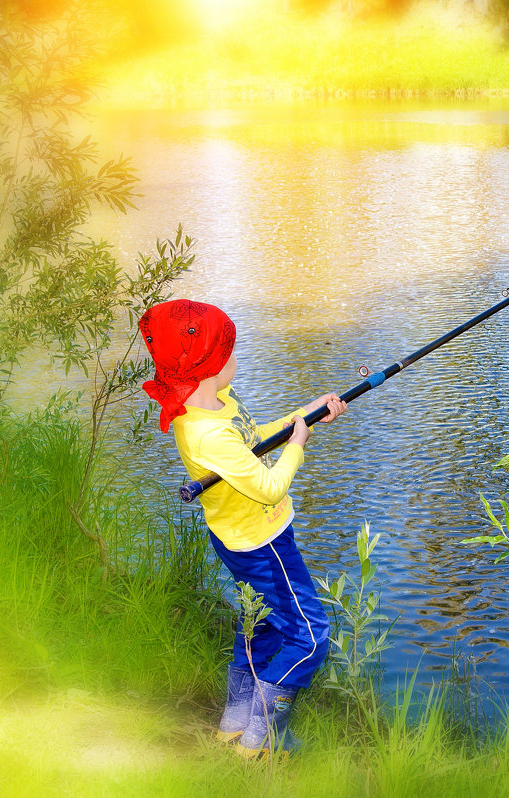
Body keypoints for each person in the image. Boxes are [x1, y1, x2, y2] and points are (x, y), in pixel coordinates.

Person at [138, 298, 346, 759]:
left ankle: (235, 721)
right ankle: (263, 740)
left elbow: (251, 443)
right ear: (209, 364)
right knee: (311, 634)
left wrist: (304, 415)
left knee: (265, 622)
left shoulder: (217, 403)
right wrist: (299, 445)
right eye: (229, 351)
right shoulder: (204, 433)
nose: (236, 358)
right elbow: (269, 486)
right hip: (262, 541)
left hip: (243, 537)